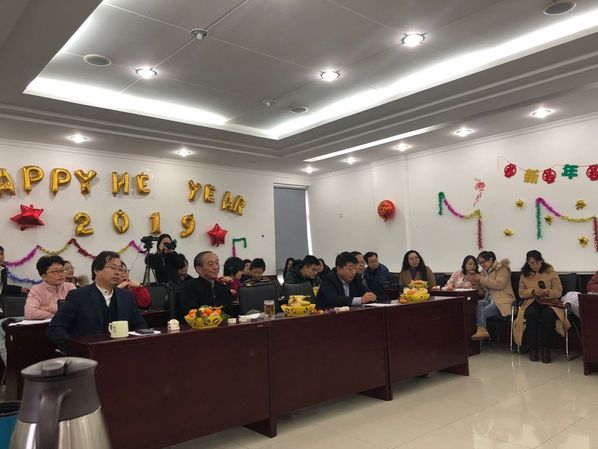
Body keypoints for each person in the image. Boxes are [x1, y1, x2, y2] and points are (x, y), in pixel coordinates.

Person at [47, 251, 147, 352]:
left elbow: (140, 325)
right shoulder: (78, 296)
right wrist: (76, 348)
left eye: (120, 269)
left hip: (122, 352)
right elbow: (55, 328)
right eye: (113, 268)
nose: (117, 272)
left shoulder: (126, 296)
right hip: (89, 354)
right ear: (97, 270)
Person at [515, 250, 567, 363]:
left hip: (549, 302)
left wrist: (548, 292)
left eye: (537, 262)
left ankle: (546, 349)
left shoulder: (550, 270)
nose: (535, 265)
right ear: (527, 263)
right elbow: (521, 293)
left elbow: (559, 291)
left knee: (548, 315)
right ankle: (533, 348)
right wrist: (533, 291)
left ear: (541, 261)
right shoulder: (524, 273)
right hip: (531, 301)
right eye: (532, 263)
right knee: (531, 314)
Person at [469, 251, 515, 342]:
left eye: (483, 262)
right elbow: (484, 292)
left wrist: (481, 279)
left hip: (502, 301)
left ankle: (482, 333)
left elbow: (499, 285)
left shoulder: (502, 269)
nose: (482, 265)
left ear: (490, 259)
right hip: (489, 300)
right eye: (480, 263)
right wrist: (475, 284)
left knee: (482, 312)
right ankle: (482, 331)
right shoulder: (484, 273)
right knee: (477, 304)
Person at [179, 251, 234, 322]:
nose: (216, 267)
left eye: (217, 263)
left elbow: (229, 315)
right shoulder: (189, 287)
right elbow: (191, 315)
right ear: (199, 269)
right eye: (211, 264)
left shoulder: (224, 288)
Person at [24, 255, 76, 320]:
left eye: (62, 270)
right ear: (44, 276)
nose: (61, 274)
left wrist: (46, 308)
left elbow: (78, 310)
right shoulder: (37, 289)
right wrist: (58, 315)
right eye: (56, 271)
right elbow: (30, 314)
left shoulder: (70, 287)